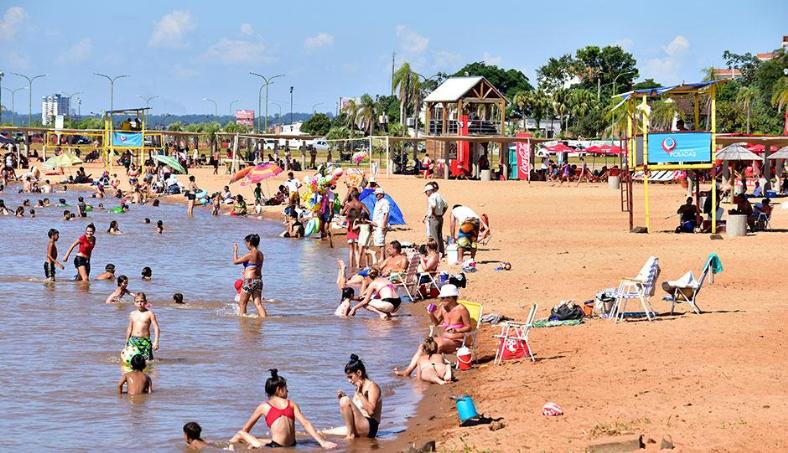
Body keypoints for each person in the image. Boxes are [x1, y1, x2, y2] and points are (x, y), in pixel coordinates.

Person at [229, 369, 337, 449]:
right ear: (279, 390)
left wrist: (244, 437)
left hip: (275, 446)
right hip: (292, 444)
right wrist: (322, 442)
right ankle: (250, 444)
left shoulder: (263, 407)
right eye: (286, 389)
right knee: (256, 438)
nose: (288, 391)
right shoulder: (292, 404)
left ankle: (230, 446)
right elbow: (306, 424)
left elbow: (246, 430)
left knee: (240, 434)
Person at [336, 354, 382, 439]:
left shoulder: (372, 386)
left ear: (359, 373)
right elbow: (356, 410)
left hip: (369, 427)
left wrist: (360, 394)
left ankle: (350, 435)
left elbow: (371, 412)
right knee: (324, 432)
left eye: (350, 377)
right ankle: (351, 433)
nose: (349, 381)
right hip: (360, 425)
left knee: (345, 400)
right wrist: (344, 398)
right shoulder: (358, 388)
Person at [233, 234, 266, 317]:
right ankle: (265, 320)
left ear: (249, 243)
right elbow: (254, 266)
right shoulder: (261, 254)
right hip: (258, 281)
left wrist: (235, 250)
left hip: (249, 281)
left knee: (242, 303)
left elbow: (235, 261)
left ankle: (243, 323)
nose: (246, 245)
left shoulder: (250, 254)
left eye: (246, 243)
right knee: (258, 304)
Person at [125, 292, 159, 360]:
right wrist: (126, 342)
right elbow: (129, 328)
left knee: (147, 362)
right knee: (132, 361)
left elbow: (156, 328)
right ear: (134, 303)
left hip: (145, 341)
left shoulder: (150, 314)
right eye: (137, 301)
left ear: (145, 302)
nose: (139, 303)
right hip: (133, 340)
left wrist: (156, 341)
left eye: (141, 301)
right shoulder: (132, 314)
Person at [423, 182, 447, 256]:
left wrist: (433, 214)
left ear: (429, 191)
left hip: (434, 218)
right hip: (440, 217)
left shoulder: (432, 197)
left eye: (426, 192)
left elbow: (433, 206)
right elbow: (446, 205)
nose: (426, 194)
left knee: (434, 236)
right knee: (439, 235)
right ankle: (441, 252)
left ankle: (436, 253)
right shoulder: (439, 195)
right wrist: (442, 213)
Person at [371, 188, 390, 261]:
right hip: (377, 224)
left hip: (381, 224)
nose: (376, 196)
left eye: (378, 194)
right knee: (378, 240)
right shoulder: (377, 202)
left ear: (382, 194)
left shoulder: (385, 202)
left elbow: (386, 213)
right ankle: (383, 256)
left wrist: (384, 224)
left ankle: (382, 257)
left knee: (381, 241)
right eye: (376, 194)